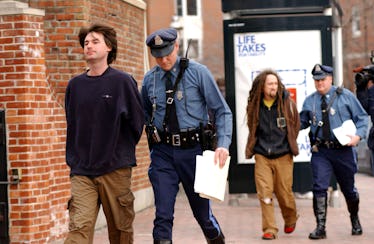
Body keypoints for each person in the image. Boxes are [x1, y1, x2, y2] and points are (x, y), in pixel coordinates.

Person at [141, 27, 232, 244]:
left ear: (177, 46)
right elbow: (144, 114)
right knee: (162, 216)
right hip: (163, 154)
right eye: (158, 56)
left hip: (194, 153)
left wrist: (223, 144)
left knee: (203, 217)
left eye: (167, 54)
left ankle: (215, 238)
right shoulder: (149, 80)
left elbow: (222, 110)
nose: (163, 60)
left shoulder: (198, 73)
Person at [64, 24, 144, 243]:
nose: (89, 46)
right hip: (82, 171)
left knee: (120, 231)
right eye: (86, 43)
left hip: (115, 169)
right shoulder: (75, 85)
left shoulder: (122, 82)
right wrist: (75, 159)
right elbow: (72, 124)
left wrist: (117, 150)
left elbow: (137, 123)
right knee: (78, 229)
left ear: (109, 47)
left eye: (95, 41)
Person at [300, 64, 368, 240]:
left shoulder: (345, 96)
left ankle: (355, 219)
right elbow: (302, 122)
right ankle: (320, 227)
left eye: (322, 79)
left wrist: (358, 137)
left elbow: (362, 119)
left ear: (330, 78)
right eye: (316, 80)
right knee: (319, 187)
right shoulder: (310, 101)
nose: (319, 83)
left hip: (343, 151)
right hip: (321, 151)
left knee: (348, 189)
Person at [245, 69, 300, 240]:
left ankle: (290, 218)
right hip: (262, 156)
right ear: (262, 86)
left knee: (285, 194)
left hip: (283, 155)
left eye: (275, 83)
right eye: (270, 84)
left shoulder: (287, 104)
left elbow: (295, 126)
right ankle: (270, 228)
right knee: (265, 193)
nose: (273, 87)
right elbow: (252, 127)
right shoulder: (255, 105)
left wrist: (287, 143)